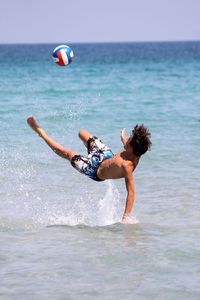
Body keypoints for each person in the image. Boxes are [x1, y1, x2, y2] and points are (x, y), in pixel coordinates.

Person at [27, 116, 151, 224]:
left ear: (133, 147)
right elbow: (129, 148)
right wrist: (124, 140)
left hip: (95, 170)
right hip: (105, 155)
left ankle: (41, 132)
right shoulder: (134, 150)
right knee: (82, 133)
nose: (128, 138)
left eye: (130, 138)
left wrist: (125, 218)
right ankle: (90, 152)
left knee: (68, 153)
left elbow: (131, 193)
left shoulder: (127, 166)